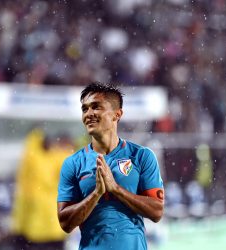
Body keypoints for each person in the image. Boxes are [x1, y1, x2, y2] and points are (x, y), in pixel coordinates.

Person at [57, 82, 164, 249]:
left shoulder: (141, 156)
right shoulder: (73, 163)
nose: (89, 114)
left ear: (117, 114)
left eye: (96, 107)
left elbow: (156, 211)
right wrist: (96, 194)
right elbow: (65, 223)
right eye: (85, 109)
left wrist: (115, 189)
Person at [11, 129, 69, 250]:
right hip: (41, 198)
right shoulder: (38, 158)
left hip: (41, 198)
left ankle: (37, 242)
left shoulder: (37, 157)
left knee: (39, 227)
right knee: (44, 228)